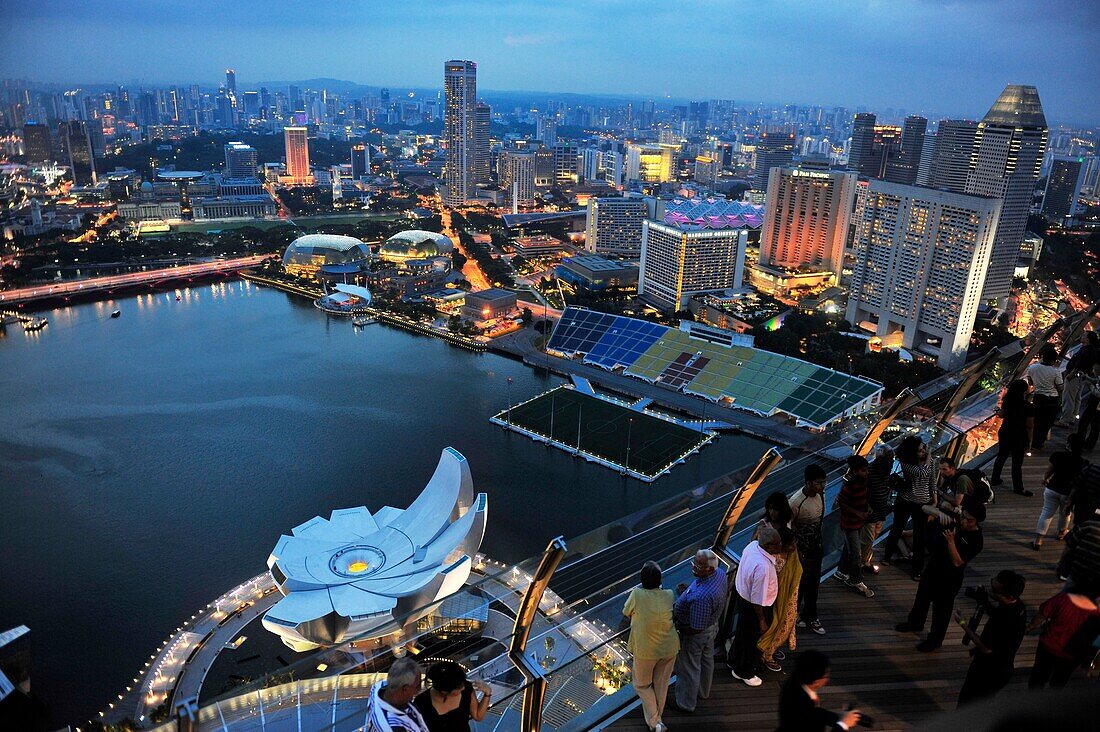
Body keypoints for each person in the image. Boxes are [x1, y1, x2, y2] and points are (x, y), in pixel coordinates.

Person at [896, 495, 986, 652]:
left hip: (949, 578)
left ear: (977, 521)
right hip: (933, 568)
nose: (964, 521)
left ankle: (935, 640)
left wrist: (951, 542)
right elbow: (925, 508)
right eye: (964, 517)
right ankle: (915, 623)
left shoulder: (976, 540)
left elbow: (958, 562)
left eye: (969, 520)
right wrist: (940, 514)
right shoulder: (955, 519)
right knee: (922, 598)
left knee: (941, 611)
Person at [955, 570, 1028, 705]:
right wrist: (985, 601)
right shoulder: (1017, 605)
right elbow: (996, 614)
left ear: (1009, 596)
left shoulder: (1007, 618)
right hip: (1001, 668)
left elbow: (986, 648)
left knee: (967, 704)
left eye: (994, 590)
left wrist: (963, 624)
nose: (990, 590)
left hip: (989, 671)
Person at [623, 561, 678, 732]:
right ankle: (657, 722)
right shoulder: (669, 594)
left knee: (642, 685)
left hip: (647, 649)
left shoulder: (637, 594)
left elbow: (626, 611)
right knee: (661, 685)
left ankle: (655, 723)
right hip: (669, 647)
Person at [671, 549, 727, 712]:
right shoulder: (720, 574)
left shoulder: (701, 597)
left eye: (698, 566)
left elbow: (695, 628)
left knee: (689, 667)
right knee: (707, 659)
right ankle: (703, 692)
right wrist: (687, 592)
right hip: (712, 627)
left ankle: (685, 703)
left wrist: (678, 628)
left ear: (710, 569)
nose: (694, 568)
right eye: (694, 563)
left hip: (697, 635)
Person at [756, 493, 802, 673]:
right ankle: (767, 651)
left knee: (785, 616)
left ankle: (771, 648)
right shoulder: (763, 527)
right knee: (777, 616)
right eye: (770, 508)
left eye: (776, 508)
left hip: (788, 581)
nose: (772, 512)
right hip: (773, 582)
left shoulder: (787, 525)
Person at [730, 526, 781, 687]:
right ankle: (744, 671)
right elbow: (757, 598)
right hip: (755, 608)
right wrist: (762, 620)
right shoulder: (763, 567)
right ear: (769, 546)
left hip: (741, 597)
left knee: (742, 633)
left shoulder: (752, 547)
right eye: (777, 544)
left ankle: (734, 660)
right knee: (751, 639)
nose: (780, 546)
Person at [1027, 582, 1100, 689]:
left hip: (1048, 646)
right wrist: (1089, 660)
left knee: (1038, 676)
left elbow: (1041, 616)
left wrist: (1030, 627)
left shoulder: (1062, 598)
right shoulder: (1097, 614)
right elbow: (1095, 640)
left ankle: (1033, 698)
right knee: (1060, 680)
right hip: (1072, 655)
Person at [884, 435, 935, 580]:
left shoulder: (929, 462)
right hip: (905, 499)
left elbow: (932, 479)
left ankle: (917, 569)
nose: (924, 451)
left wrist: (934, 497)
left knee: (920, 536)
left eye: (924, 448)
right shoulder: (906, 463)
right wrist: (929, 457)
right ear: (912, 453)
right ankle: (887, 557)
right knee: (897, 527)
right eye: (920, 450)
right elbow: (922, 473)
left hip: (922, 502)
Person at [776, 650, 862, 732]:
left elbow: (815, 713)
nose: (827, 679)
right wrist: (844, 724)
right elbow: (810, 716)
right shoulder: (803, 709)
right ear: (816, 681)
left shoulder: (793, 684)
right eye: (826, 676)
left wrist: (839, 717)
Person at [1032, 434, 1087, 550]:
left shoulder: (1058, 456)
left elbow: (1049, 471)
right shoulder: (1083, 463)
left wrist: (1045, 479)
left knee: (1046, 513)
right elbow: (1080, 481)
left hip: (1052, 488)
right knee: (1066, 513)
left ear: (1068, 444)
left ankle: (1038, 540)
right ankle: (1061, 533)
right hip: (1068, 493)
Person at [792, 464, 829, 635]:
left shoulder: (820, 495)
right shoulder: (796, 502)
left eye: (824, 483)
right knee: (801, 583)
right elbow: (790, 528)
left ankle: (807, 614)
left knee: (812, 582)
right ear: (808, 483)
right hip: (801, 550)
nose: (822, 486)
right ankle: (798, 614)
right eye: (819, 483)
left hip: (815, 546)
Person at [835, 454, 875, 598]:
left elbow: (862, 498)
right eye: (863, 470)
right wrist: (858, 513)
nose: (866, 473)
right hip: (850, 523)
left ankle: (841, 571)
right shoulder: (850, 485)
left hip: (856, 522)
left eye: (867, 470)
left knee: (850, 547)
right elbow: (842, 503)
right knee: (856, 553)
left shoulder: (863, 482)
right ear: (855, 471)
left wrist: (867, 507)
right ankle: (855, 580)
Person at [412, 661, 490, 732]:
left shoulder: (466, 688)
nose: (463, 688)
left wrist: (487, 693)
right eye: (458, 688)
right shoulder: (421, 703)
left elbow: (477, 716)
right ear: (444, 691)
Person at [990, 379, 1033, 496]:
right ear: (1024, 390)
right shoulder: (1027, 406)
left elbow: (1002, 415)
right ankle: (1018, 487)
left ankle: (995, 479)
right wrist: (1029, 443)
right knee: (1017, 462)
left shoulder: (1008, 401)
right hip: (1019, 434)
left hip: (1005, 431)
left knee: (1001, 456)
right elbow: (1029, 426)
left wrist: (997, 411)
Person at [366, 657, 430, 732]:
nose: (419, 689)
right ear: (405, 689)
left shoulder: (378, 687)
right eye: (417, 686)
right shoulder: (392, 728)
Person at [861, 447, 894, 576]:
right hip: (870, 513)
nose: (890, 462)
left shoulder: (884, 471)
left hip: (880, 511)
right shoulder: (869, 471)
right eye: (889, 459)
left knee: (871, 537)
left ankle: (865, 561)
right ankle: (862, 562)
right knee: (868, 538)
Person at [1027, 344, 1065, 451]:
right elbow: (1060, 388)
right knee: (1047, 422)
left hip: (1038, 397)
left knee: (1037, 420)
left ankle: (1033, 443)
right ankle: (1039, 443)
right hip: (1051, 399)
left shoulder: (1032, 367)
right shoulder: (1055, 371)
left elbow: (1030, 382)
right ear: (1053, 360)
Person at [1060, 330, 1099, 427]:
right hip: (1081, 377)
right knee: (1077, 398)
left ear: (1088, 339)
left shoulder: (1086, 351)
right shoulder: (1091, 350)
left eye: (1084, 335)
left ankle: (1065, 420)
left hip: (1074, 377)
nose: (1081, 336)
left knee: (1069, 398)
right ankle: (1072, 417)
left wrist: (1070, 375)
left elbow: (1078, 365)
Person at [1078, 361, 1100, 450]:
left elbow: (1098, 393)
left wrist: (1090, 386)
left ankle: (1080, 442)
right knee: (1095, 425)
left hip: (1096, 404)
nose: (1093, 371)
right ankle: (1088, 445)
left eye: (1094, 369)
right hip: (1096, 404)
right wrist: (1087, 377)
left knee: (1085, 422)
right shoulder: (1098, 377)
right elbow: (1097, 381)